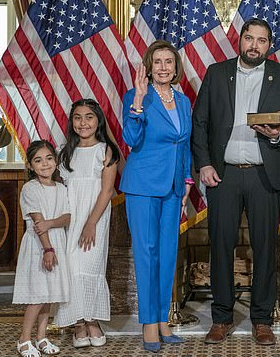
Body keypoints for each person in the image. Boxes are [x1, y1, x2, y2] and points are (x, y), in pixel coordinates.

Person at [192, 18, 280, 346]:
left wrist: (276, 134)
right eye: (249, 38)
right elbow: (200, 123)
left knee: (265, 248)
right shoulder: (216, 73)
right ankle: (222, 317)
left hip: (263, 175)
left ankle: (262, 319)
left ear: (270, 45)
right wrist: (205, 164)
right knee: (221, 246)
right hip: (223, 175)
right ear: (240, 40)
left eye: (262, 40)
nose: (254, 45)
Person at [120, 40, 192, 353]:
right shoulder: (137, 97)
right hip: (143, 185)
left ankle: (163, 320)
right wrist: (137, 100)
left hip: (174, 187)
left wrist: (187, 179)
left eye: (168, 62)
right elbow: (131, 139)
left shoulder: (184, 100)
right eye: (158, 62)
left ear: (176, 68)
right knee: (147, 253)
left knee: (167, 254)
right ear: (149, 67)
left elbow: (184, 143)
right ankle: (149, 324)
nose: (163, 67)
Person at [54, 98, 120, 348]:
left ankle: (93, 320)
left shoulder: (105, 150)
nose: (83, 122)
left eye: (89, 117)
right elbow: (62, 188)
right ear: (72, 122)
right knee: (71, 269)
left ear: (98, 121)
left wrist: (91, 223)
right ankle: (78, 323)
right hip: (71, 218)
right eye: (78, 117)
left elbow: (106, 191)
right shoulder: (66, 152)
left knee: (91, 267)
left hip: (94, 217)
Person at [13, 140, 71, 357]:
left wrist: (51, 223)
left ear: (55, 162)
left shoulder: (62, 188)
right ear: (30, 166)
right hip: (40, 245)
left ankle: (41, 336)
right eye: (38, 160)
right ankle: (24, 339)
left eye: (48, 158)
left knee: (49, 294)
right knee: (37, 295)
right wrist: (48, 250)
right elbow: (38, 222)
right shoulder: (30, 188)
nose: (45, 164)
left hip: (57, 241)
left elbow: (67, 217)